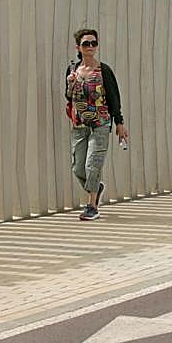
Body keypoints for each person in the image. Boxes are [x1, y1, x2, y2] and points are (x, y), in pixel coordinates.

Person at [64, 27, 129, 220]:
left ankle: (92, 206)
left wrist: (119, 122)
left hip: (101, 124)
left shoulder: (104, 70)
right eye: (86, 43)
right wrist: (70, 83)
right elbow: (68, 96)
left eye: (94, 43)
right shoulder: (72, 70)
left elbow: (114, 97)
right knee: (78, 168)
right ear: (79, 47)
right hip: (79, 125)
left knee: (93, 165)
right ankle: (96, 187)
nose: (90, 47)